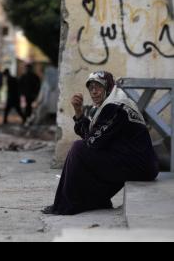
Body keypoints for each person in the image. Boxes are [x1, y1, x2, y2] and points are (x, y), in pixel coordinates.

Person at [42, 71, 159, 215]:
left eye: (98, 87)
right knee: (84, 150)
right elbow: (94, 138)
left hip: (140, 166)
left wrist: (84, 137)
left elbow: (92, 142)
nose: (94, 92)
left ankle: (66, 204)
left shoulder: (115, 107)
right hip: (135, 162)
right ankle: (94, 201)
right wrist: (79, 113)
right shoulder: (110, 105)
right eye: (91, 88)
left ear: (108, 88)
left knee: (78, 149)